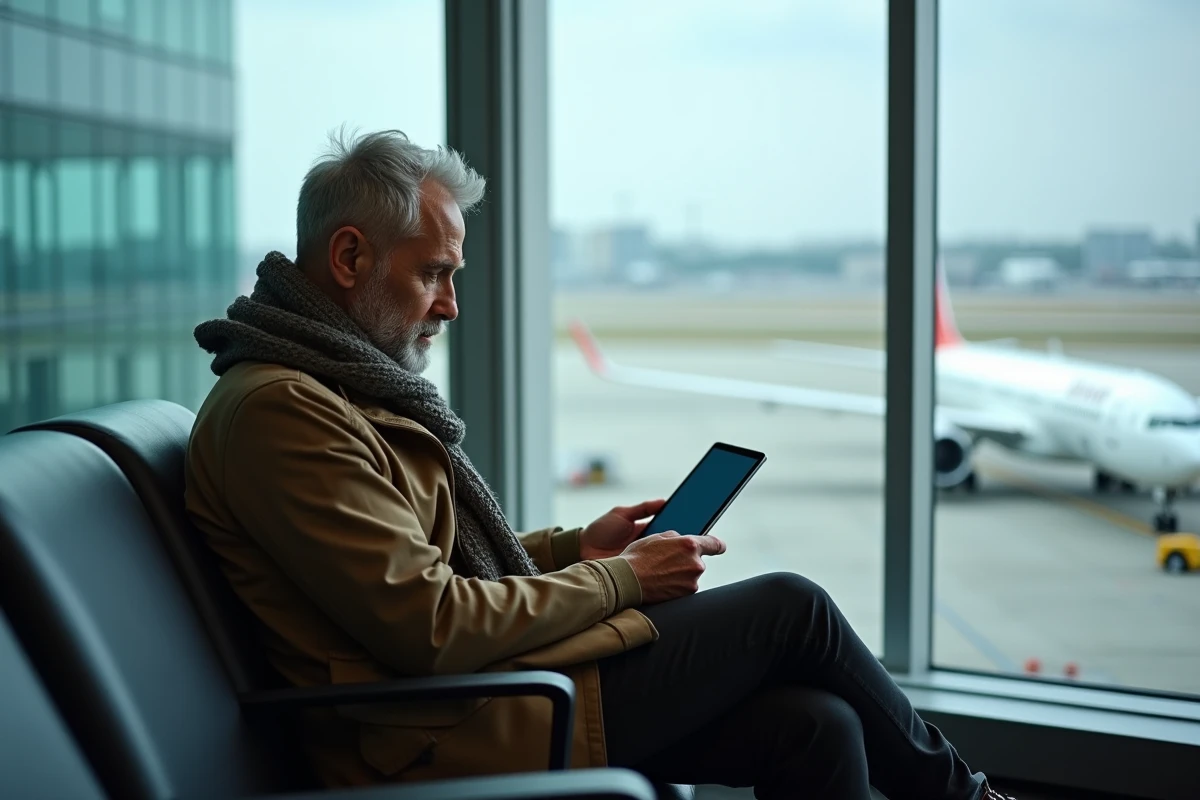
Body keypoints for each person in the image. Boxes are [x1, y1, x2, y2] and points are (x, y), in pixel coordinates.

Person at [185, 129, 1014, 800]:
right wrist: (624, 579)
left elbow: (419, 574)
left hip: (475, 697)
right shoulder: (284, 412)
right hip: (439, 729)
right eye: (434, 273)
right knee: (792, 610)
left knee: (818, 727)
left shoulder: (330, 383)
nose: (451, 304)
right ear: (349, 258)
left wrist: (575, 547)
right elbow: (432, 626)